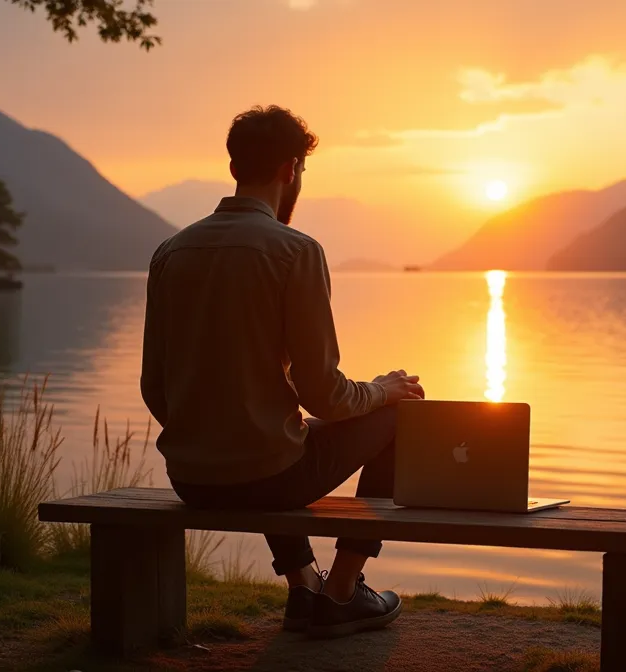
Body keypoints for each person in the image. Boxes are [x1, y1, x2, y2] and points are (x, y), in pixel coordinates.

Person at [141, 105, 425, 639]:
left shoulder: (169, 253)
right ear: (291, 169)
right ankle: (341, 593)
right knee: (399, 418)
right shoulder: (296, 252)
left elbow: (154, 387)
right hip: (267, 480)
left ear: (234, 167)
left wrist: (213, 431)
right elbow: (325, 396)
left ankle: (302, 590)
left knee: (277, 434)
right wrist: (384, 392)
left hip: (190, 480)